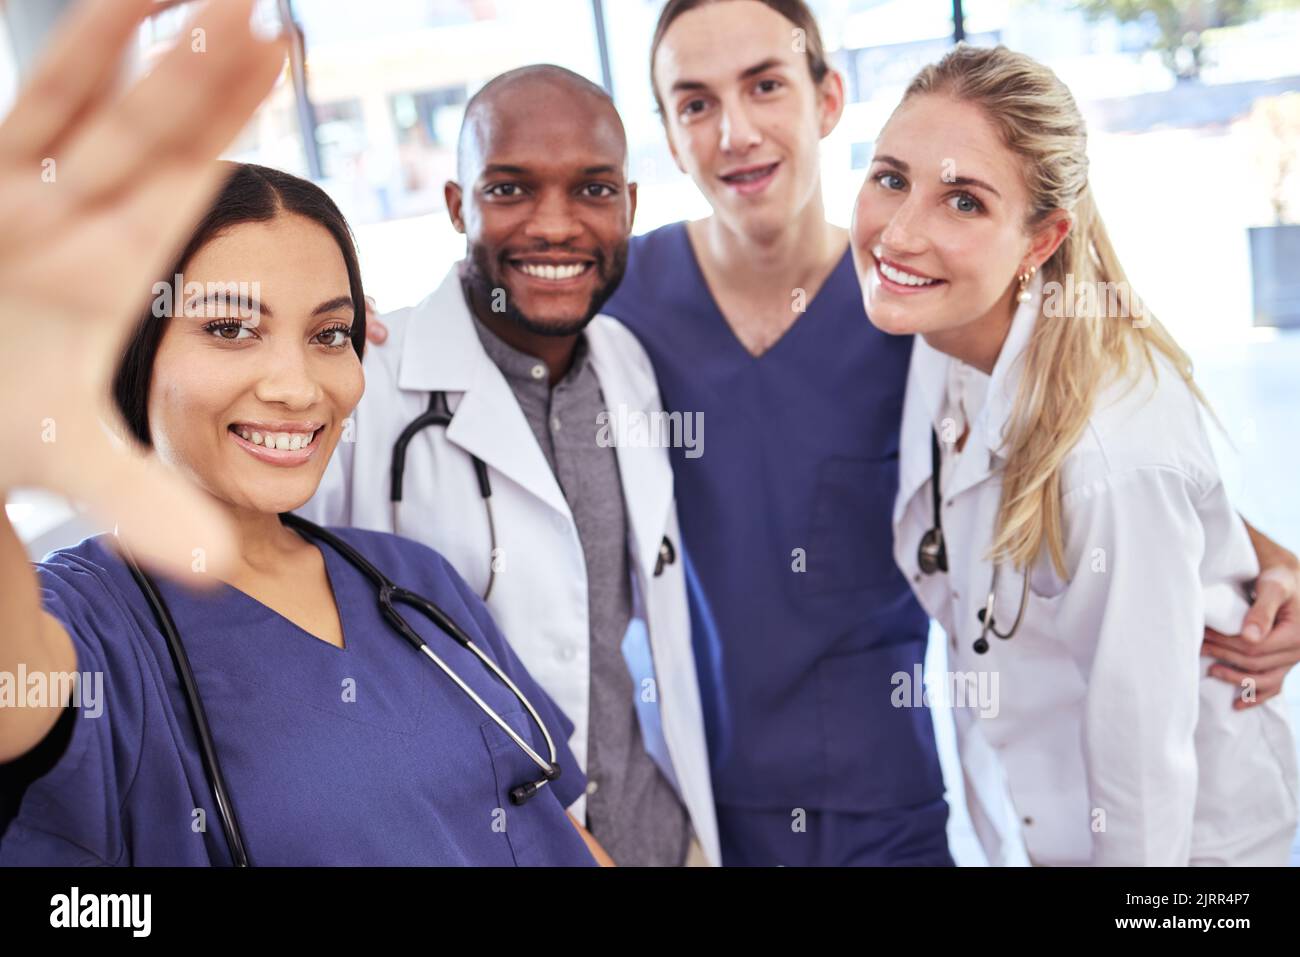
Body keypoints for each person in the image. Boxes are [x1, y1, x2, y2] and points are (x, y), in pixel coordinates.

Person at [599, 0, 1300, 865]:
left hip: (1125, 847)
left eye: (766, 84)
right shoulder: (914, 324)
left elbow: (1130, 491)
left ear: (827, 100)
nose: (735, 131)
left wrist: (1267, 560)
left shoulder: (922, 319)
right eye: (696, 103)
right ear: (666, 133)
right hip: (755, 796)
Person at [0, 0, 603, 867]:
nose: (296, 386)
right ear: (133, 349)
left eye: (329, 334)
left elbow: (560, 832)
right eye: (231, 328)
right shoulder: (88, 626)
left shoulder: (411, 582)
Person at [862, 43, 1298, 865]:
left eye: (963, 200)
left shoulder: (1110, 458)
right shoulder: (941, 328)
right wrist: (1271, 555)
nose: (901, 230)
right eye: (891, 178)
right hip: (1045, 821)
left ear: (1042, 239)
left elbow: (1144, 787)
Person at [301, 66, 719, 866]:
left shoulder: (627, 362)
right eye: (510, 189)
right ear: (459, 205)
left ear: (630, 206)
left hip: (658, 831)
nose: (555, 225)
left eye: (594, 190)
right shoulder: (367, 387)